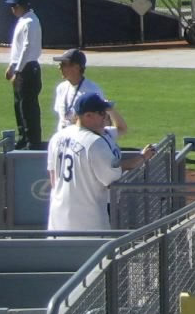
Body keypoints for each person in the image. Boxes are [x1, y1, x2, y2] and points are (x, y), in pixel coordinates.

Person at [46, 93, 156, 232]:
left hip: (57, 219)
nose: (106, 117)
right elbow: (112, 177)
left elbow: (53, 179)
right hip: (87, 221)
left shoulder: (58, 137)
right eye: (102, 113)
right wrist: (142, 158)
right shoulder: (94, 142)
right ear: (88, 116)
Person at [50, 48, 127, 136]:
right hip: (63, 139)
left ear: (76, 67)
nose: (59, 67)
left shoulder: (92, 91)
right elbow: (61, 117)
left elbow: (103, 121)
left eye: (63, 64)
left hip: (82, 139)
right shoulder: (61, 88)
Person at [4, 0, 43, 150]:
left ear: (21, 6)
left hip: (27, 68)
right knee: (19, 105)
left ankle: (32, 141)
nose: (12, 9)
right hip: (21, 66)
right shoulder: (24, 20)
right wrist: (11, 65)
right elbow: (18, 48)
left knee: (28, 106)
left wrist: (18, 71)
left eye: (14, 6)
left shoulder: (30, 22)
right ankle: (23, 137)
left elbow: (27, 48)